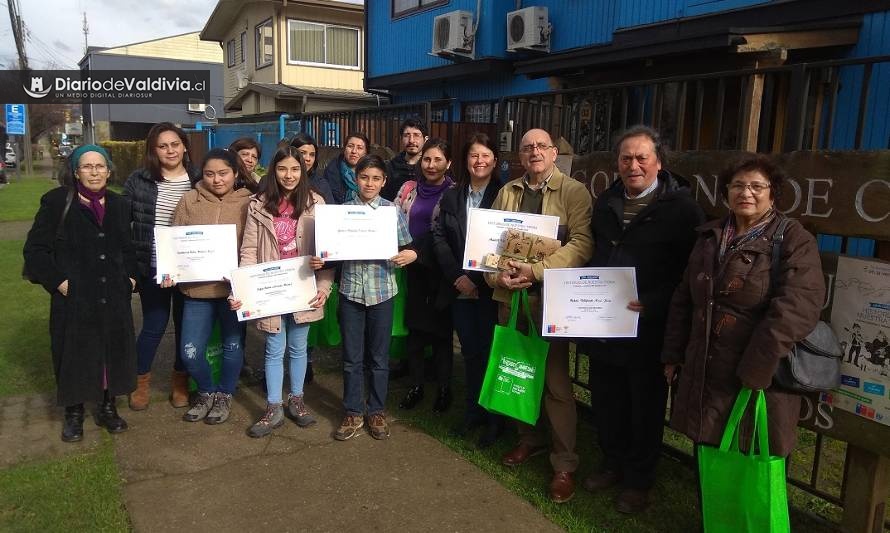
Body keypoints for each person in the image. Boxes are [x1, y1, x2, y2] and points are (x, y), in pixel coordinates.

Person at [662, 154, 824, 510]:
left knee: (753, 460)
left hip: (756, 376)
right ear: (726, 192)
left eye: (756, 186)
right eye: (738, 185)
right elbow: (684, 298)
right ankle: (714, 520)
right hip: (705, 367)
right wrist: (673, 354)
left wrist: (755, 371)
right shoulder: (710, 236)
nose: (746, 193)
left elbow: (796, 309)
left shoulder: (793, 240)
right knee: (709, 453)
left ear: (773, 193)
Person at [583, 125, 705, 514]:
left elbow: (691, 273)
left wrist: (653, 302)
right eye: (625, 158)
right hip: (603, 324)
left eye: (641, 158)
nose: (632, 165)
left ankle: (639, 480)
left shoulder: (683, 209)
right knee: (606, 401)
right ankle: (612, 463)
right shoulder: (606, 201)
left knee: (644, 408)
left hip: (648, 329)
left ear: (659, 162)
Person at [486, 128, 593, 504]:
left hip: (550, 301)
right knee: (516, 370)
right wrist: (494, 274)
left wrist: (537, 271)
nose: (534, 152)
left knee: (556, 385)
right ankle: (527, 439)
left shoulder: (573, 192)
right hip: (509, 297)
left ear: (554, 152)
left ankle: (564, 463)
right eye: (527, 147)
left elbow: (582, 243)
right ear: (519, 155)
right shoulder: (508, 191)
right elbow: (489, 244)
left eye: (541, 146)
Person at [24, 145, 137, 442]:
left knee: (109, 351)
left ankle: (107, 407)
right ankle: (74, 412)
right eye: (87, 166)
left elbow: (129, 249)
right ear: (75, 172)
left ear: (109, 170)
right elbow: (36, 250)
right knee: (72, 352)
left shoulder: (119, 204)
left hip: (112, 294)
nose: (94, 172)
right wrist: (59, 282)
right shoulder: (56, 202)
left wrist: (131, 280)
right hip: (74, 297)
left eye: (100, 166)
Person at [313, 154, 416, 441]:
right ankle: (353, 412)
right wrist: (323, 262)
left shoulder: (391, 212)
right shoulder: (341, 212)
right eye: (364, 177)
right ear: (356, 178)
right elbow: (332, 255)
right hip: (351, 293)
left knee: (379, 358)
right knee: (351, 358)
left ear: (384, 181)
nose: (369, 183)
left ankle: (377, 411)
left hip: (382, 293)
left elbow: (408, 245)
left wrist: (411, 254)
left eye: (376, 178)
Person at [238, 146, 334, 437]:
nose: (289, 175)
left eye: (295, 169)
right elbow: (249, 250)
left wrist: (325, 286)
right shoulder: (258, 204)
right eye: (282, 169)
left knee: (298, 347)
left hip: (304, 287)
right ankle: (273, 406)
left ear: (302, 171)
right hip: (271, 289)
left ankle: (297, 400)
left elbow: (327, 253)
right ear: (273, 171)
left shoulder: (317, 204)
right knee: (273, 348)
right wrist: (246, 288)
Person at [168, 148, 252, 425]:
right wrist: (169, 270)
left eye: (223, 173)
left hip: (232, 293)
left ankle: (225, 394)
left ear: (236, 174)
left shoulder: (247, 202)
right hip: (196, 292)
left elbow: (253, 245)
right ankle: (205, 390)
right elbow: (173, 241)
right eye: (209, 174)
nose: (217, 180)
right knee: (190, 353)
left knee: (232, 346)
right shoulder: (189, 201)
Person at [431, 132, 504, 447]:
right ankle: (472, 411)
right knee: (471, 353)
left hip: (491, 288)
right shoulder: (451, 196)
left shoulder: (505, 195)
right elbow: (438, 236)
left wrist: (477, 279)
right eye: (474, 155)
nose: (479, 161)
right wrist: (457, 276)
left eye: (485, 155)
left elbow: (509, 240)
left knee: (491, 353)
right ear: (465, 161)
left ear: (494, 160)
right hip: (459, 287)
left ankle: (495, 420)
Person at [123, 122, 199, 411]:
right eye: (163, 145)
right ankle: (140, 382)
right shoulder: (139, 180)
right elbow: (121, 222)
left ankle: (180, 382)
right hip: (152, 266)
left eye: (175, 144)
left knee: (185, 327)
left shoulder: (197, 178)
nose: (170, 150)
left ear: (184, 146)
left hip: (190, 268)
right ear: (154, 150)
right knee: (154, 325)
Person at [396, 138, 456, 413]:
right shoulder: (409, 189)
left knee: (441, 334)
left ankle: (445, 388)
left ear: (449, 163)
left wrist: (418, 253)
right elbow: (391, 219)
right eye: (427, 159)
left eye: (438, 160)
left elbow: (444, 234)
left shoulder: (454, 194)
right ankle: (416, 385)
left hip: (439, 269)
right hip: (411, 270)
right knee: (416, 332)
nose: (431, 165)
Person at [381, 118, 427, 201]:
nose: (411, 140)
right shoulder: (390, 167)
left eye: (416, 135)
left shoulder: (432, 168)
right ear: (401, 138)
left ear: (425, 139)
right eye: (407, 135)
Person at [321, 132, 369, 204]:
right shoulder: (333, 169)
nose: (354, 151)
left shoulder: (372, 170)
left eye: (359, 148)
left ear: (365, 153)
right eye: (350, 146)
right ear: (344, 149)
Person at [291, 132, 334, 205]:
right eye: (302, 153)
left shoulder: (321, 185)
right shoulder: (279, 180)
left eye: (312, 155)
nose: (308, 158)